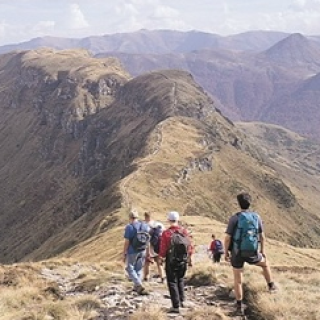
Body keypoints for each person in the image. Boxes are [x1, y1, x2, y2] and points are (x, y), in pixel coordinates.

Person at [224, 192, 277, 316]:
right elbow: (262, 236)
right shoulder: (256, 217)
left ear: (239, 204)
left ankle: (239, 307)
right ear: (250, 203)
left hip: (237, 252)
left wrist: (226, 252)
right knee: (265, 264)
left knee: (238, 280)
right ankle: (271, 286)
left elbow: (227, 238)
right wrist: (262, 251)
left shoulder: (235, 218)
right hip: (251, 251)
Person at [159, 211, 192, 314]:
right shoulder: (184, 231)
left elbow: (163, 249)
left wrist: (161, 257)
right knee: (180, 279)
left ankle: (175, 306)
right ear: (178, 220)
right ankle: (182, 300)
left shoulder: (166, 233)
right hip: (183, 260)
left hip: (171, 260)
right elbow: (190, 247)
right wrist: (190, 259)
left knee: (172, 281)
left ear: (169, 220)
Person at [123, 210, 150, 295]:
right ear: (137, 217)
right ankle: (136, 288)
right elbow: (148, 238)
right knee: (138, 269)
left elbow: (127, 241)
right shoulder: (145, 225)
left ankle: (139, 284)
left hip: (132, 251)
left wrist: (124, 252)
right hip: (142, 250)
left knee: (129, 268)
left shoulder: (129, 227)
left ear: (130, 218)